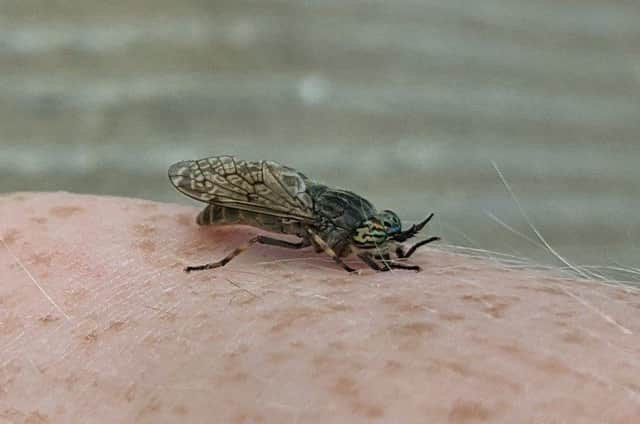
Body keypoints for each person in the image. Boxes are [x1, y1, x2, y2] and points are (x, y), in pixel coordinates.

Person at [2, 192, 638, 423]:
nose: (378, 245)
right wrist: (355, 265)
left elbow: (354, 243)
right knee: (257, 238)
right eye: (376, 242)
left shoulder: (358, 229)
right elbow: (334, 249)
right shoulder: (334, 235)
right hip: (247, 212)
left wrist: (382, 254)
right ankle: (218, 262)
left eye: (382, 241)